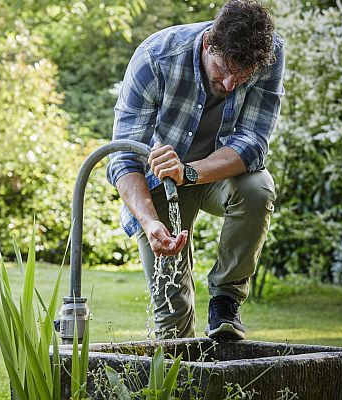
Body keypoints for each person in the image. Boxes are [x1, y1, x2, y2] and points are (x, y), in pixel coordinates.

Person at [106, 0, 285, 340]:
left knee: (258, 187)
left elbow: (253, 143)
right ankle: (178, 381)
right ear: (207, 44)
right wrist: (148, 221)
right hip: (160, 184)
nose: (231, 84)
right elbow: (124, 158)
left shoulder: (270, 54)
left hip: (215, 174)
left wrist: (189, 172)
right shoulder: (155, 58)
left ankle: (225, 301)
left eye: (242, 76)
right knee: (172, 315)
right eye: (223, 70)